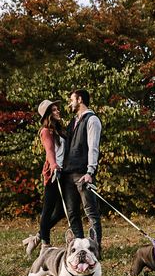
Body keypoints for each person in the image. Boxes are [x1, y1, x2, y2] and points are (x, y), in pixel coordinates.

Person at [23, 99, 66, 255]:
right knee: (47, 210)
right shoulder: (45, 131)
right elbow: (49, 151)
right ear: (48, 114)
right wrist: (54, 165)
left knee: (61, 211)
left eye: (57, 109)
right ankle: (44, 245)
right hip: (53, 174)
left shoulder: (60, 130)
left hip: (63, 173)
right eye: (54, 110)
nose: (58, 111)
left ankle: (37, 237)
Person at [63, 89, 102, 256]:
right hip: (67, 174)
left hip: (83, 173)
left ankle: (95, 249)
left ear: (79, 99)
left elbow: (93, 147)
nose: (70, 103)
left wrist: (90, 171)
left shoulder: (92, 120)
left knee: (91, 212)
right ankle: (79, 249)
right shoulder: (72, 122)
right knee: (72, 213)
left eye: (72, 99)